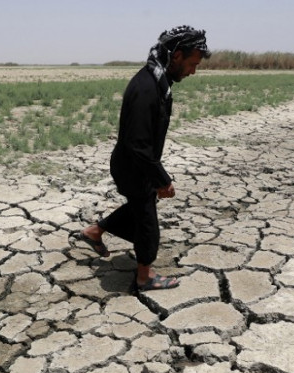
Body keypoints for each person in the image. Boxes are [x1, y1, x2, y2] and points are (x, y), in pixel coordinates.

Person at [71, 25, 210, 292]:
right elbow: (138, 145)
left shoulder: (156, 80)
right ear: (177, 55)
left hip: (133, 164)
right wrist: (161, 180)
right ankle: (144, 277)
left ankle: (95, 232)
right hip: (133, 166)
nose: (193, 71)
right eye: (192, 64)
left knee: (140, 206)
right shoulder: (147, 87)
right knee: (147, 224)